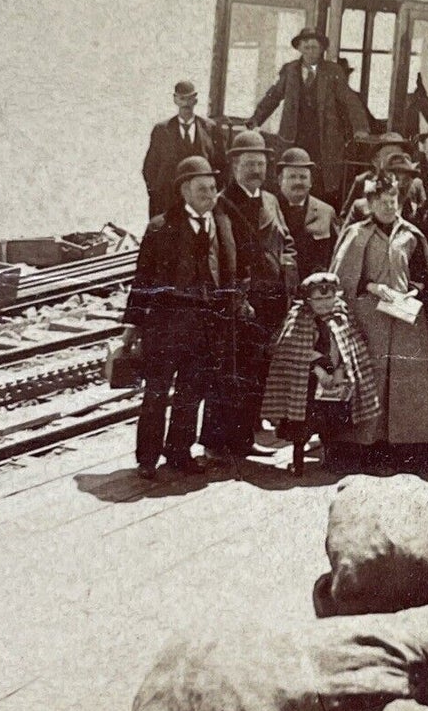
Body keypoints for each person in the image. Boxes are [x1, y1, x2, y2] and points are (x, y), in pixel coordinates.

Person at [123, 155, 238, 480]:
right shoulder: (161, 226)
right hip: (166, 327)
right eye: (203, 188)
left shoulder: (222, 222)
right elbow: (142, 278)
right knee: (156, 393)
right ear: (185, 190)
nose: (210, 194)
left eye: (213, 188)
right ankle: (147, 458)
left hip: (205, 327)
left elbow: (229, 269)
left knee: (191, 394)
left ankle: (179, 452)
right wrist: (133, 324)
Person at [203, 130, 298, 462]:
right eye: (249, 164)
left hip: (270, 302)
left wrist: (288, 269)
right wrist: (236, 297)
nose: (256, 170)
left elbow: (286, 241)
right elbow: (220, 255)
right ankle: (216, 444)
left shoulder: (271, 200)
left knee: (256, 372)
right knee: (227, 373)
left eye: (260, 163)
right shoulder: (222, 203)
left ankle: (244, 440)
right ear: (234, 165)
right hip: (239, 302)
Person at [331, 171, 428, 457]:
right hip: (369, 316)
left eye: (392, 200)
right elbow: (344, 276)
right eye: (381, 201)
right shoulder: (357, 233)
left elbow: (422, 276)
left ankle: (404, 445)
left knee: (407, 378)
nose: (388, 206)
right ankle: (365, 444)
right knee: (371, 377)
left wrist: (412, 292)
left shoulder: (411, 235)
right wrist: (373, 286)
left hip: (406, 318)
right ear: (370, 204)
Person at [262, 272, 381, 475]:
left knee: (331, 424)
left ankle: (330, 459)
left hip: (335, 379)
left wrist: (341, 370)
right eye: (319, 299)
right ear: (308, 300)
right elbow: (292, 350)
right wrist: (319, 369)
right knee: (302, 426)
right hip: (308, 383)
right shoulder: (299, 319)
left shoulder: (341, 316)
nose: (325, 303)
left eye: (329, 298)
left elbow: (351, 347)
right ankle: (297, 462)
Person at [247, 27, 371, 203]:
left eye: (314, 47)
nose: (310, 50)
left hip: (323, 141)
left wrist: (361, 128)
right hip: (293, 139)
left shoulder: (332, 72)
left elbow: (350, 100)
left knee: (319, 184)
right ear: (299, 48)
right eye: (306, 47)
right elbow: (273, 97)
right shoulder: (289, 71)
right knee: (291, 179)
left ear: (321, 49)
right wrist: (255, 120)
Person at [141, 80, 225, 219]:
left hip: (201, 203)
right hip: (168, 203)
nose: (186, 103)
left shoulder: (210, 129)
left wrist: (211, 195)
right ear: (175, 100)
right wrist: (158, 195)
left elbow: (222, 166)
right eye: (182, 98)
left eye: (190, 98)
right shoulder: (162, 130)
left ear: (196, 99)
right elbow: (149, 168)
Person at [273, 146, 340, 280]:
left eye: (303, 177)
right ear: (280, 180)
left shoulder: (326, 212)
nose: (298, 182)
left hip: (315, 290)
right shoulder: (269, 210)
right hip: (278, 288)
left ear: (311, 181)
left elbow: (337, 254)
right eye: (292, 177)